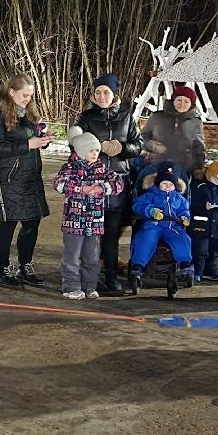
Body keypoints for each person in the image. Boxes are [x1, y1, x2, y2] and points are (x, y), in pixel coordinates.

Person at [75, 74, 142, 296]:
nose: (102, 96)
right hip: (92, 183)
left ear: (115, 95)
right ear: (93, 95)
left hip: (118, 184)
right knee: (90, 234)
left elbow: (138, 145)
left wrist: (122, 148)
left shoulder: (127, 117)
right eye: (98, 92)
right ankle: (89, 277)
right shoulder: (85, 118)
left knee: (111, 235)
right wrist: (96, 145)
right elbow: (74, 145)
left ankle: (111, 276)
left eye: (106, 92)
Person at [0, 73, 53, 289]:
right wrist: (28, 145)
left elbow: (29, 138)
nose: (27, 99)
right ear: (11, 92)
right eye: (24, 95)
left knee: (32, 221)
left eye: (30, 95)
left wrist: (42, 140)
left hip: (29, 175)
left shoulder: (26, 113)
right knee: (8, 222)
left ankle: (25, 266)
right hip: (7, 175)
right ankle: (2, 271)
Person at [53, 131, 121, 299]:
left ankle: (90, 286)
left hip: (95, 222)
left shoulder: (102, 168)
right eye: (91, 150)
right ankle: (71, 286)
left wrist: (102, 188)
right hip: (73, 222)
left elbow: (118, 183)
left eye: (97, 151)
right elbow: (59, 183)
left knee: (92, 257)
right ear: (81, 151)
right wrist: (81, 190)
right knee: (72, 257)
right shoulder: (70, 168)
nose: (95, 154)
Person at [127, 163, 194, 293]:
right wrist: (150, 211)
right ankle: (138, 265)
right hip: (153, 224)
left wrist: (185, 217)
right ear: (158, 184)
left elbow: (184, 210)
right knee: (146, 238)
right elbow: (138, 205)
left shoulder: (179, 198)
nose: (167, 187)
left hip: (172, 225)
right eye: (164, 183)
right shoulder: (150, 195)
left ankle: (185, 262)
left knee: (182, 238)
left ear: (175, 186)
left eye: (171, 184)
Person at [140, 84, 205, 183]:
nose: (182, 104)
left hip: (184, 168)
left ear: (191, 104)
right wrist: (151, 145)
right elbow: (142, 137)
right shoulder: (157, 117)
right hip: (156, 165)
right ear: (173, 100)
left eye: (186, 101)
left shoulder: (195, 122)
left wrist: (199, 168)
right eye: (179, 100)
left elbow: (199, 148)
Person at [189, 159, 218, 282]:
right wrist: (203, 205)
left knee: (215, 251)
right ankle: (197, 272)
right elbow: (192, 203)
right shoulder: (199, 187)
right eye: (215, 178)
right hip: (202, 227)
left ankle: (212, 271)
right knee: (200, 250)